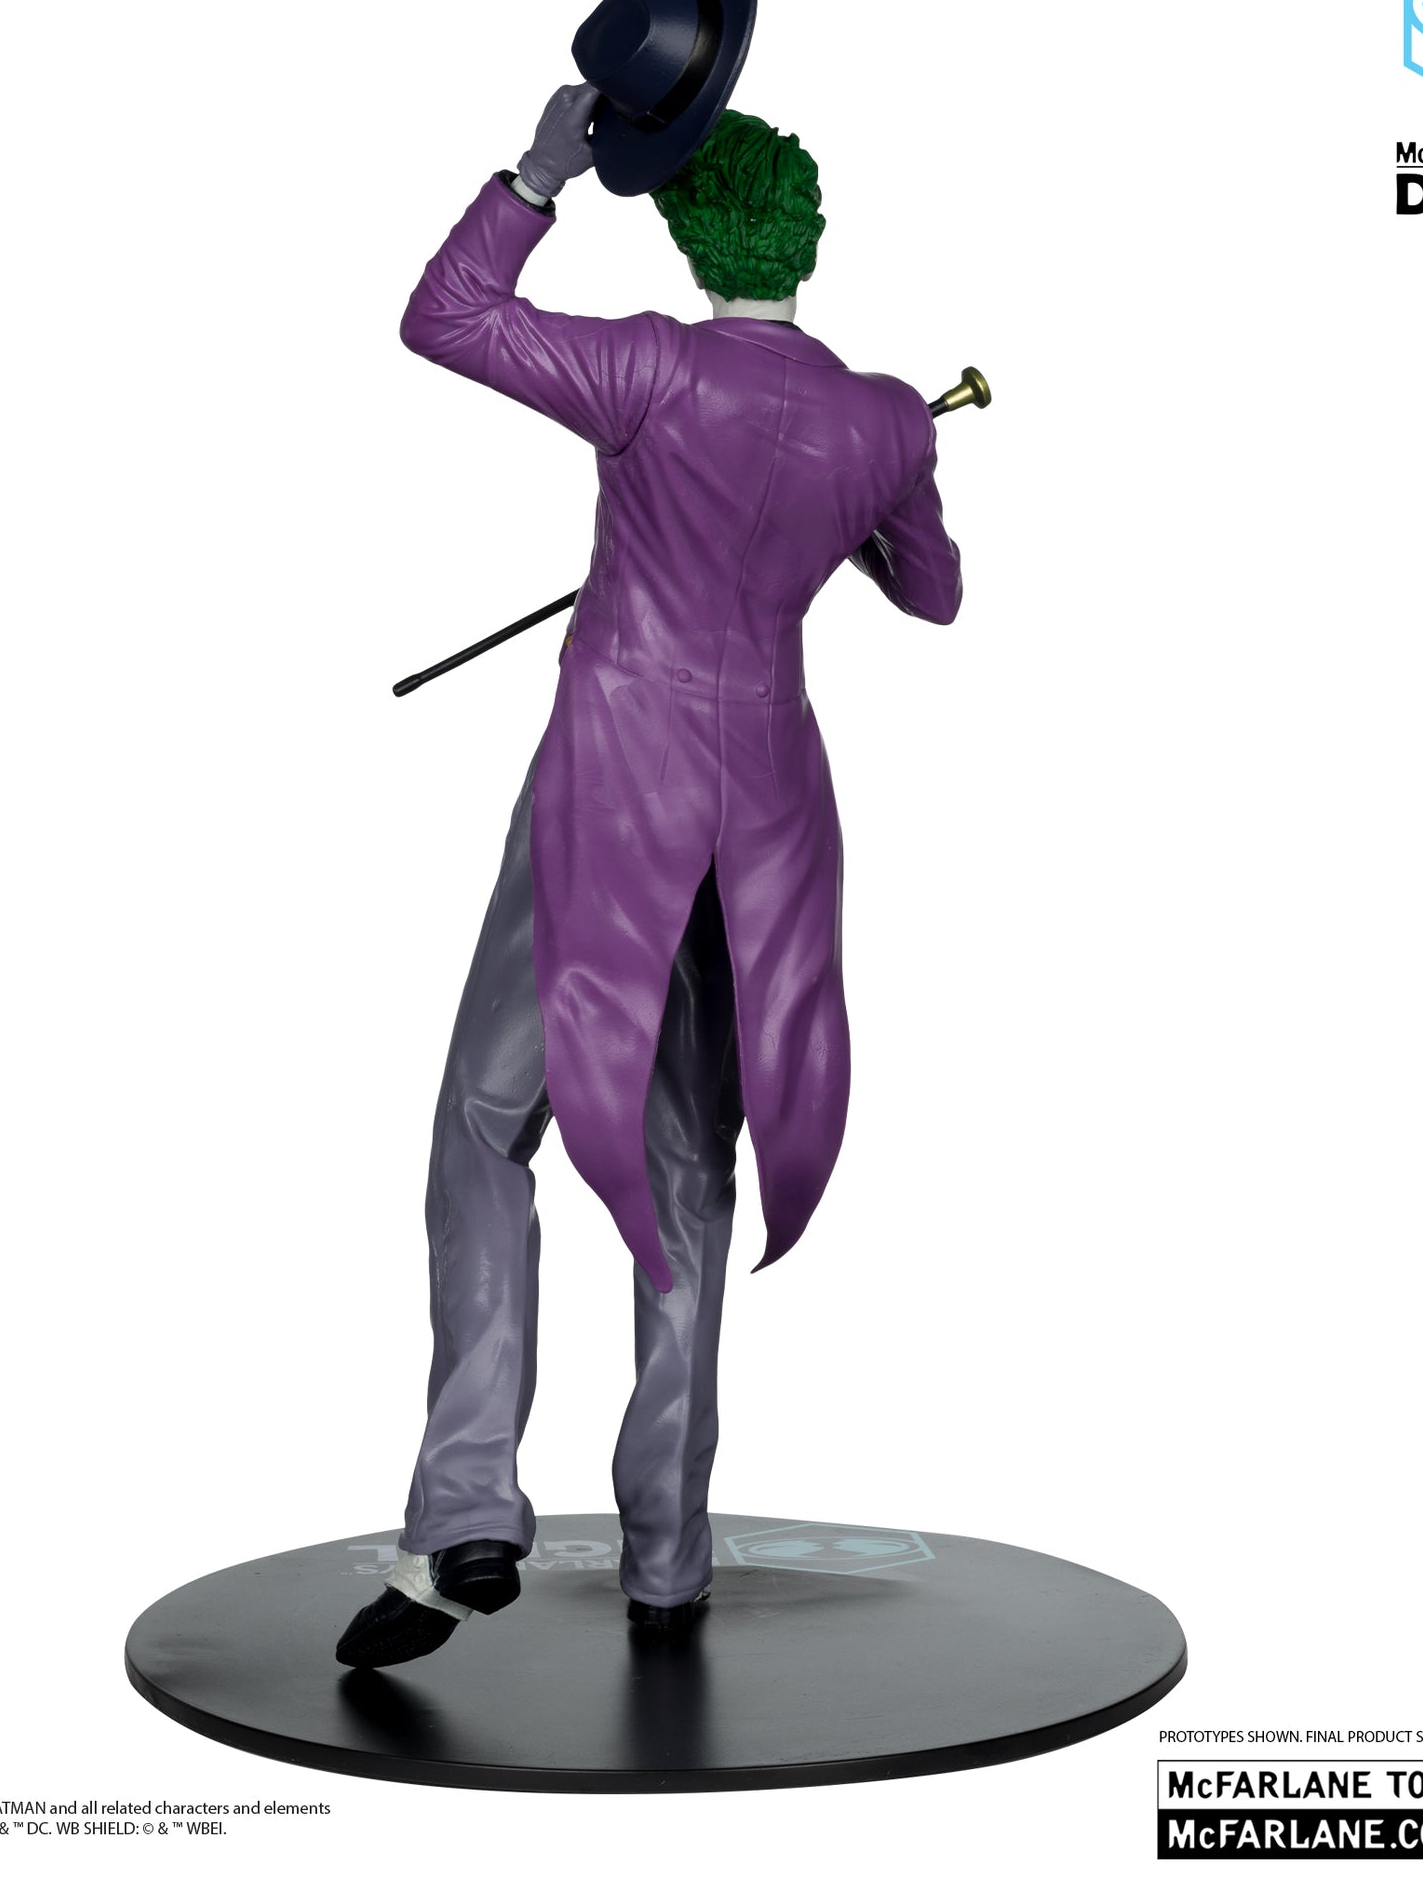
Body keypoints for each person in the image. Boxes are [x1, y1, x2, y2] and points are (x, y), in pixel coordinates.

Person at [335, 84, 963, 1669]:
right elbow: (935, 593)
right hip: (768, 815)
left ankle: (467, 1512)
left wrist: (540, 172)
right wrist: (850, 514)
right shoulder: (887, 419)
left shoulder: (651, 368)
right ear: (804, 243)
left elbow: (447, 317)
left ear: (690, 235)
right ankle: (668, 1563)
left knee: (489, 1121)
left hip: (617, 792)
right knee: (690, 1172)